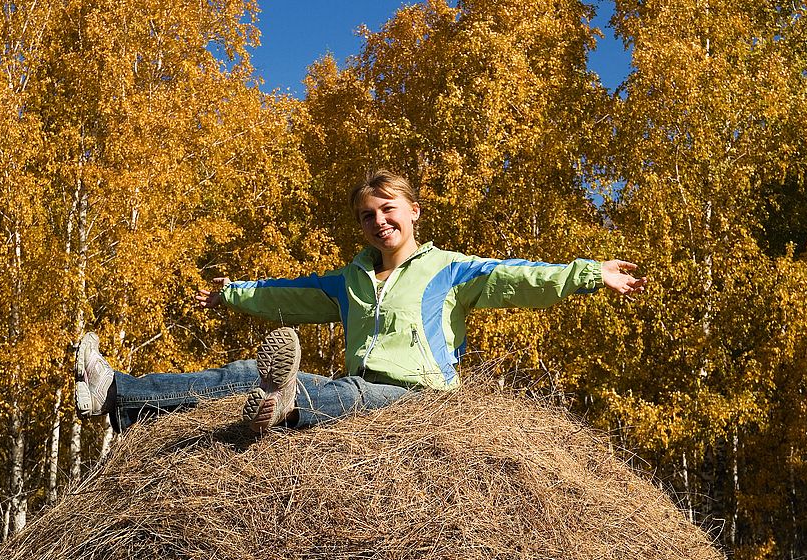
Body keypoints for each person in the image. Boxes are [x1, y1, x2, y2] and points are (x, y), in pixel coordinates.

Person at [75, 169, 647, 434]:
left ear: (413, 211)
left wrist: (590, 273)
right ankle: (117, 392)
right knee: (253, 371)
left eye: (388, 209)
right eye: (368, 216)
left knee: (325, 390)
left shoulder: (452, 271)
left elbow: (523, 278)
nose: (379, 221)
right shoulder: (348, 280)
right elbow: (289, 295)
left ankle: (287, 405)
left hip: (415, 396)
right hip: (356, 388)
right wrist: (230, 293)